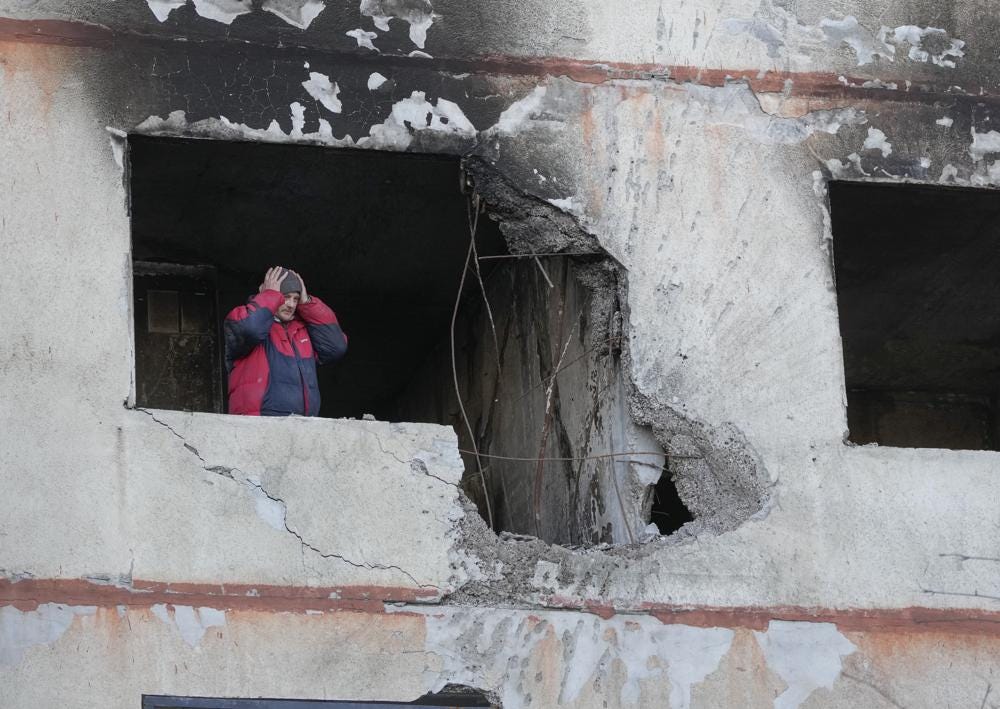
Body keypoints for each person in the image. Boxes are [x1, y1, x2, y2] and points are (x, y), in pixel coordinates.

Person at [224, 266, 347, 416]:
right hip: (257, 424)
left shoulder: (303, 330)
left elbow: (336, 348)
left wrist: (307, 302)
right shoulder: (241, 319)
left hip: (302, 425)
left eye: (295, 298)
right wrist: (270, 296)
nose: (291, 304)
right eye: (285, 296)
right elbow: (250, 329)